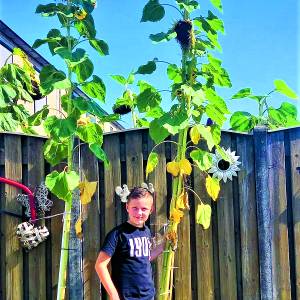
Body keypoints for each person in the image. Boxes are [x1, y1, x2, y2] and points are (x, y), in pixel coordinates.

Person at [95, 186, 165, 300]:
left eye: (144, 209)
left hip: (148, 295)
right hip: (126, 297)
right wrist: (113, 295)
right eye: (135, 208)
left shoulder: (146, 231)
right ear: (127, 207)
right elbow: (100, 265)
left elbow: (143, 257)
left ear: (151, 209)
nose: (139, 212)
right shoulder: (117, 234)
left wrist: (163, 247)